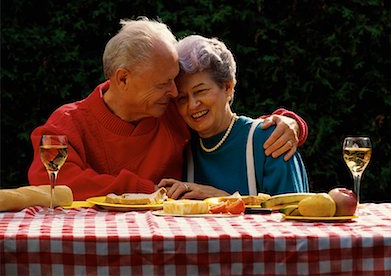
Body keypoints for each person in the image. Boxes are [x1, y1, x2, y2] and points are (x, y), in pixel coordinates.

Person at [28, 17, 308, 201]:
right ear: (123, 78)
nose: (176, 94)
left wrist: (289, 122)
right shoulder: (68, 123)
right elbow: (53, 184)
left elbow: (225, 123)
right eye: (164, 84)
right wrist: (149, 192)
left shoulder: (171, 112)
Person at [158, 35, 309, 200]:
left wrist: (222, 199)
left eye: (201, 91)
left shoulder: (272, 141)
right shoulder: (182, 148)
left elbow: (294, 216)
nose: (192, 105)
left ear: (228, 87)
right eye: (182, 98)